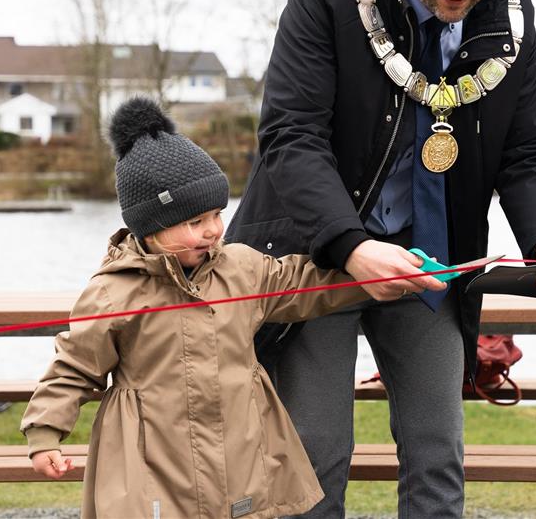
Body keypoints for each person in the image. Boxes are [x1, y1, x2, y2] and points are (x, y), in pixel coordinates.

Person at [226, 0, 536, 518]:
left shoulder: (509, 7)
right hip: (316, 257)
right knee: (314, 454)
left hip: (428, 264)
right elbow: (291, 135)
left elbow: (529, 146)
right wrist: (351, 244)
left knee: (437, 450)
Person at [20, 97, 417, 519]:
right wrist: (45, 433)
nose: (212, 230)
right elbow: (74, 368)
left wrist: (372, 275)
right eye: (195, 222)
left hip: (238, 454)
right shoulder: (112, 294)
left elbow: (303, 283)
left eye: (216, 214)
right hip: (152, 463)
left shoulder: (241, 267)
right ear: (150, 227)